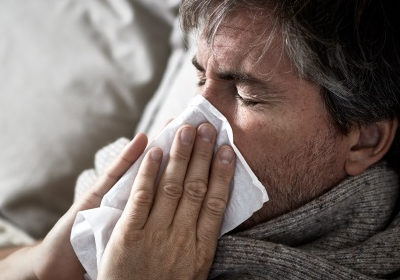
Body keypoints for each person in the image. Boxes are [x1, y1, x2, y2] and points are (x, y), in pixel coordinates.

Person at [1, 0, 399, 279]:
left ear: (364, 140)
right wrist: (39, 265)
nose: (191, 125)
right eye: (199, 79)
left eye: (247, 96)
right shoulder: (107, 202)